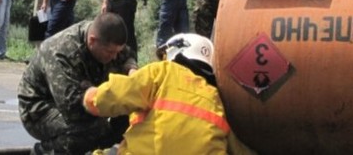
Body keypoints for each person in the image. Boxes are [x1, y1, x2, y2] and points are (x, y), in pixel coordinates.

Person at [82, 33, 256, 155]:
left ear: (175, 52)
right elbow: (239, 148)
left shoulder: (164, 71)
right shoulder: (217, 99)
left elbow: (115, 95)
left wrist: (91, 97)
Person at [18, 12, 138, 154]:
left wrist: (132, 70)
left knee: (126, 120)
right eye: (110, 52)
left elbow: (127, 56)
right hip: (39, 109)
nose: (114, 57)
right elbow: (72, 108)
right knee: (90, 130)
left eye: (118, 52)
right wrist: (111, 101)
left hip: (82, 99)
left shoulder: (105, 38)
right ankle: (44, 151)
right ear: (92, 41)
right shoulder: (62, 52)